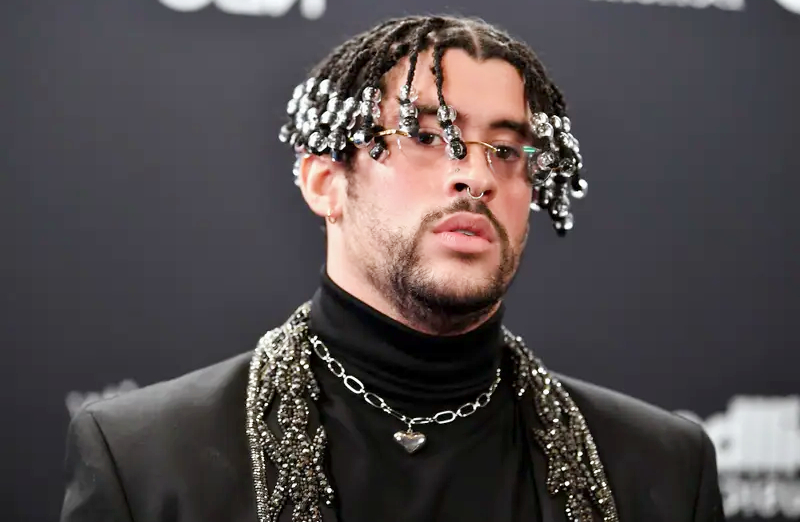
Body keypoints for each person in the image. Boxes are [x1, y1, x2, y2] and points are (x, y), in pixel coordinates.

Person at [60, 15, 725, 522]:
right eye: (428, 136)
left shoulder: (661, 469)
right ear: (325, 183)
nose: (474, 176)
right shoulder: (145, 462)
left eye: (506, 148)